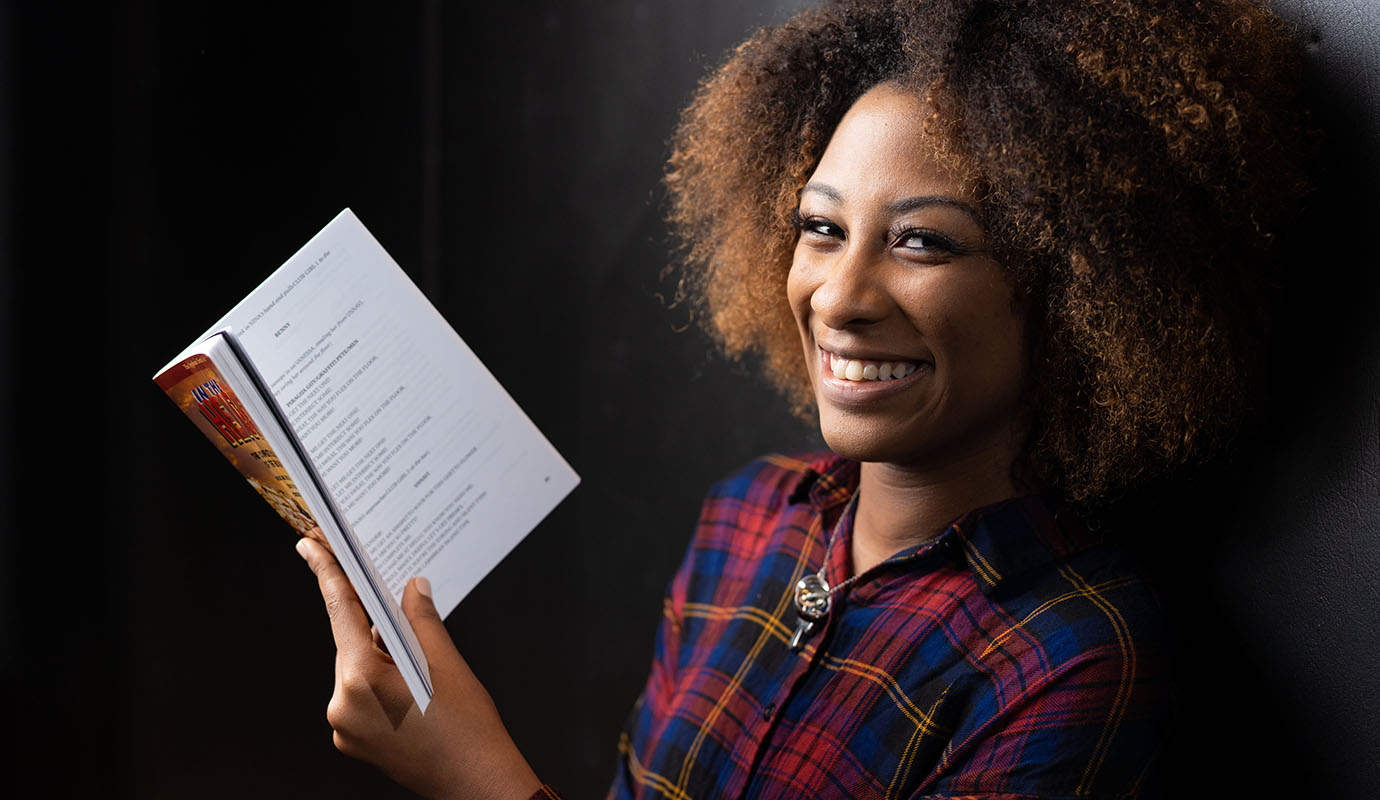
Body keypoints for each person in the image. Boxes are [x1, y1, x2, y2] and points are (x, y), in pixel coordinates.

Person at [294, 0, 1310, 797]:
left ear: (1082, 291)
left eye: (923, 240)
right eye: (821, 228)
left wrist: (473, 774)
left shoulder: (1072, 662)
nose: (841, 295)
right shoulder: (747, 517)